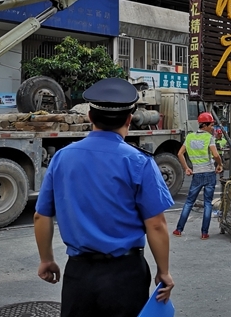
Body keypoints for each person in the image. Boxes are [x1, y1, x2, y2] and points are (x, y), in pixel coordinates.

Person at [34, 78, 175, 317]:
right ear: (130, 119)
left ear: (90, 116)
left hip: (78, 275)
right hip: (126, 275)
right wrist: (163, 271)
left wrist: (46, 259)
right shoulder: (139, 162)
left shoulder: (62, 158)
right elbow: (156, 225)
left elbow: (41, 215)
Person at [173, 111, 223, 239]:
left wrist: (186, 168)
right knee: (207, 203)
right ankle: (204, 233)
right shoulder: (209, 138)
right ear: (205, 125)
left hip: (197, 173)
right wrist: (220, 164)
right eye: (211, 125)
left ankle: (178, 230)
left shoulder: (189, 137)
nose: (213, 128)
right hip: (209, 173)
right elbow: (216, 155)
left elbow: (180, 153)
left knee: (189, 202)